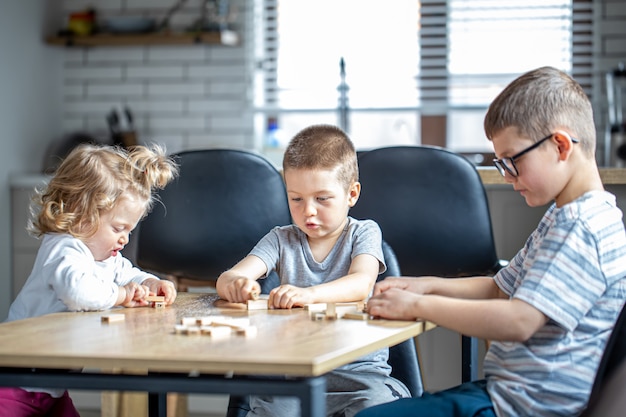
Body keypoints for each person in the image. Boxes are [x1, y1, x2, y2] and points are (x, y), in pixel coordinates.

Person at [355, 66, 626, 417]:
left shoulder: (580, 226)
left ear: (560, 145)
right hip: (510, 393)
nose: (509, 176)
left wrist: (417, 307)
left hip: (525, 407)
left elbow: (519, 321)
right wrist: (424, 286)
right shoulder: (574, 217)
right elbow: (500, 289)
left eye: (513, 160)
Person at [216, 124, 410, 417]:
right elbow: (230, 277)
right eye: (296, 199)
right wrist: (237, 284)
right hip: (299, 377)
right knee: (271, 410)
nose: (308, 211)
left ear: (352, 194)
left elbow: (360, 283)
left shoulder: (364, 233)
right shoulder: (281, 240)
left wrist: (308, 295)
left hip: (361, 377)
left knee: (379, 404)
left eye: (322, 199)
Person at [1, 143, 179, 417]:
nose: (125, 238)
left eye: (130, 230)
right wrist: (122, 295)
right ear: (80, 212)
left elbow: (128, 273)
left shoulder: (103, 257)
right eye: (118, 228)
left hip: (51, 388)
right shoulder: (63, 248)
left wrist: (151, 284)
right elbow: (78, 292)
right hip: (15, 384)